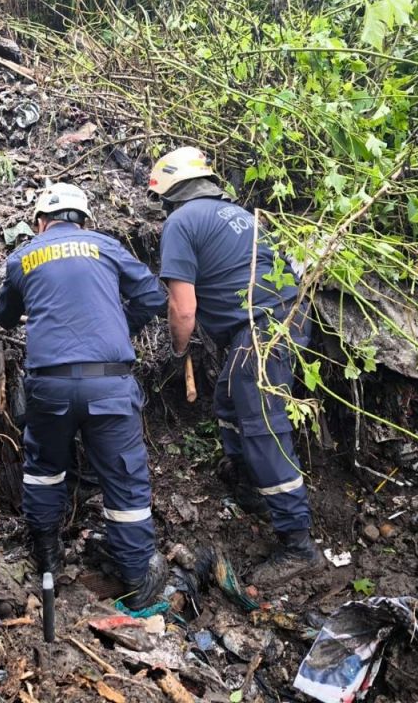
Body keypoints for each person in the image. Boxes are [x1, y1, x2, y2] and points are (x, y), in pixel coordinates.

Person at [150, 146, 323, 585]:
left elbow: (182, 309)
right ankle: (246, 485)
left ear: (170, 191)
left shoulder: (181, 222)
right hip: (287, 317)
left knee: (264, 426)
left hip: (261, 330)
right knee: (230, 397)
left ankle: (297, 544)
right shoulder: (241, 216)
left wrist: (177, 349)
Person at [0, 183, 168, 609]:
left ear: (39, 222)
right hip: (109, 383)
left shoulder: (23, 257)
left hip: (49, 384)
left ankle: (47, 554)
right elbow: (153, 296)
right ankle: (136, 573)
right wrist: (118, 324)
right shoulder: (105, 247)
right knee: (124, 477)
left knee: (45, 469)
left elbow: (4, 317)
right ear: (84, 220)